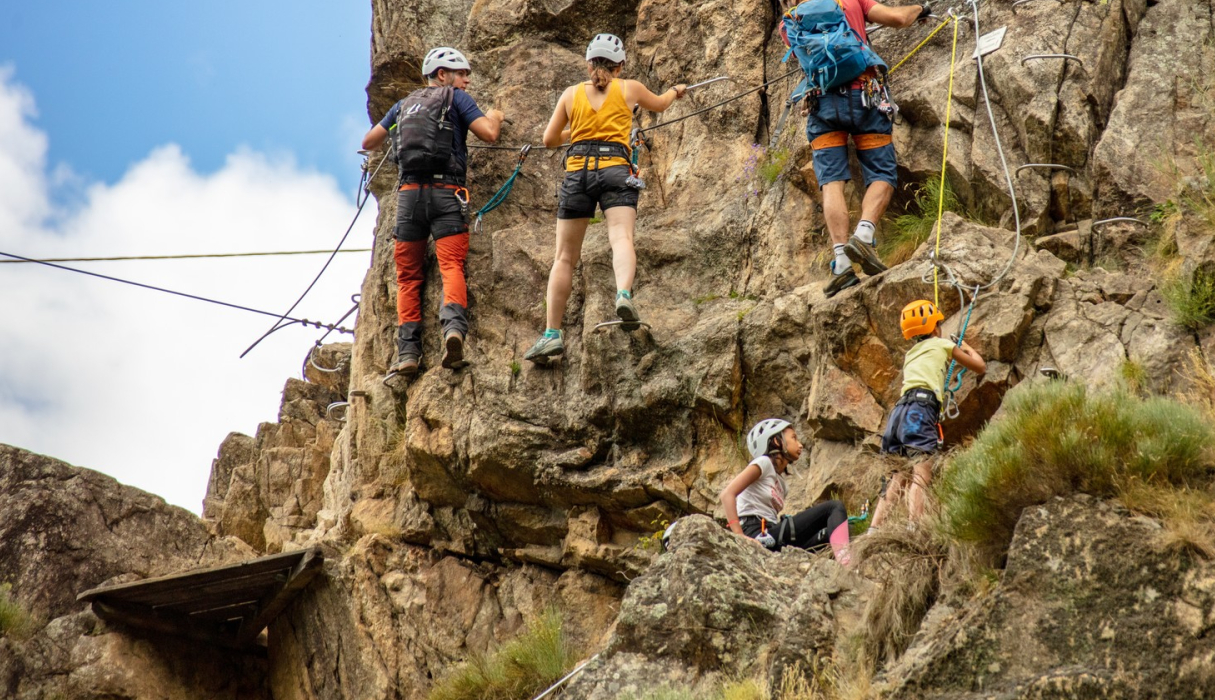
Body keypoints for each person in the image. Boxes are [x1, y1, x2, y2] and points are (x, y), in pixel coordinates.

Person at [523, 34, 686, 364]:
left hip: (578, 172)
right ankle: (623, 294)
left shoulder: (571, 95)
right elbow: (662, 103)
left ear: (588, 64)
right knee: (621, 237)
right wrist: (676, 91)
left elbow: (550, 139)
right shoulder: (630, 89)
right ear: (620, 65)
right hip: (615, 170)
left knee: (565, 257)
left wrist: (578, 131)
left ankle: (552, 334)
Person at [775, 0, 932, 297]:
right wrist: (920, 9)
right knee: (881, 172)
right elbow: (898, 19)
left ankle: (842, 263)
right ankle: (863, 234)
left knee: (831, 181)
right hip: (866, 97)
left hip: (822, 105)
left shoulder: (787, 25)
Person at [362, 47, 504, 375]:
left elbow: (369, 141)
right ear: (443, 75)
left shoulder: (403, 105)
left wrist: (400, 130)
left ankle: (408, 353)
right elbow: (490, 134)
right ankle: (453, 331)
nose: (467, 80)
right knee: (451, 265)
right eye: (462, 73)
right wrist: (496, 115)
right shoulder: (455, 98)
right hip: (447, 194)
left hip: (409, 199)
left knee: (408, 276)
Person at [871, 299, 986, 528]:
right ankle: (916, 528)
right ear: (934, 328)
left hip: (898, 414)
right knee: (922, 470)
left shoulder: (910, 354)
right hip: (920, 411)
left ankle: (874, 530)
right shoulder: (942, 345)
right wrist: (964, 346)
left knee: (898, 477)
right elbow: (979, 366)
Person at [720, 418, 853, 566]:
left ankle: (841, 566)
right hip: (755, 533)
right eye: (794, 438)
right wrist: (739, 536)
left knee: (833, 532)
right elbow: (727, 495)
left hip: (772, 536)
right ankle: (847, 565)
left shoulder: (783, 485)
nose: (800, 445)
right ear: (777, 441)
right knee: (834, 508)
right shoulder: (763, 463)